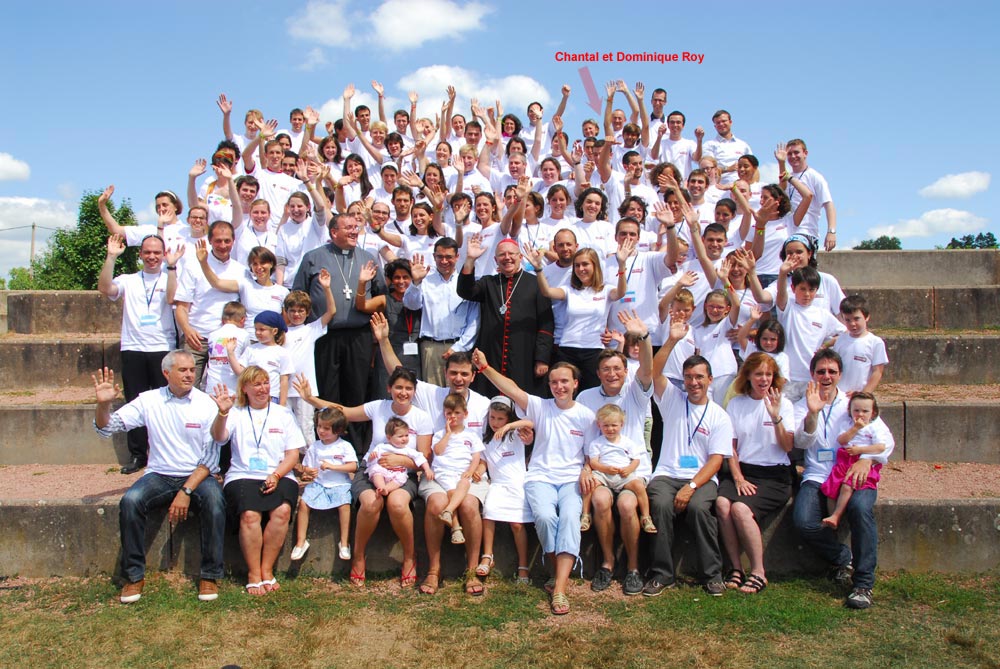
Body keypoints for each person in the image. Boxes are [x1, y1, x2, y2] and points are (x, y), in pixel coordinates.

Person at [92, 351, 225, 603]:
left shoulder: (207, 403)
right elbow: (107, 428)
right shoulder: (149, 400)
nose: (189, 375)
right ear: (166, 373)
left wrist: (185, 491)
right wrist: (103, 405)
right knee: (130, 501)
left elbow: (210, 459)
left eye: (192, 370)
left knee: (215, 502)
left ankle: (209, 575)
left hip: (197, 475)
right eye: (182, 370)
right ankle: (133, 576)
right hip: (159, 474)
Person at [472, 350, 596, 616]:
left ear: (575, 383)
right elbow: (512, 389)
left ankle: (559, 588)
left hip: (571, 479)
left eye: (565, 381)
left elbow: (590, 454)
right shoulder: (541, 407)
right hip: (539, 476)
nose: (559, 387)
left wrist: (587, 469)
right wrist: (484, 368)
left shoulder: (587, 416)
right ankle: (557, 571)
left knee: (569, 519)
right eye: (554, 382)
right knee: (545, 517)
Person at [294, 366, 432, 588]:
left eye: (408, 388)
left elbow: (424, 456)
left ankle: (409, 557)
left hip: (403, 475)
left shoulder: (422, 417)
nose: (403, 392)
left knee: (397, 504)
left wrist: (400, 461)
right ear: (389, 388)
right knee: (370, 503)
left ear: (414, 391)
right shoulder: (378, 407)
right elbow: (344, 412)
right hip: (372, 469)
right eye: (398, 387)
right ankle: (358, 556)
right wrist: (310, 399)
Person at [793, 349, 892, 609]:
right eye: (821, 371)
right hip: (817, 474)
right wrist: (812, 413)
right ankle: (843, 557)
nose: (826, 376)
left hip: (852, 474)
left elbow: (884, 439)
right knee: (803, 521)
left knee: (860, 509)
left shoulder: (852, 404)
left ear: (840, 374)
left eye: (832, 371)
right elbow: (800, 442)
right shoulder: (802, 404)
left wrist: (867, 459)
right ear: (812, 374)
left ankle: (863, 583)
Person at [644, 321, 734, 597]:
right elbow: (653, 371)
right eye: (689, 377)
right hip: (666, 474)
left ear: (710, 379)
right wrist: (671, 340)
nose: (694, 382)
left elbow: (716, 461)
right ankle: (662, 574)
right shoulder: (672, 399)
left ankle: (712, 574)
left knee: (698, 509)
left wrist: (691, 486)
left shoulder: (720, 416)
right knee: (660, 504)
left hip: (700, 479)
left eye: (699, 377)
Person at [576, 310, 656, 595]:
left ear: (626, 371)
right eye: (606, 369)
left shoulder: (636, 392)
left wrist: (643, 337)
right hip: (600, 467)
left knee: (626, 505)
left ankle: (632, 568)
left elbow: (648, 368)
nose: (612, 374)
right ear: (598, 373)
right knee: (599, 499)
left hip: (632, 469)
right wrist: (586, 468)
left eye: (617, 369)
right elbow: (584, 441)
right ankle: (607, 563)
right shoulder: (585, 397)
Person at [293, 213, 384, 451]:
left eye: (356, 227)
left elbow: (381, 294)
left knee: (357, 391)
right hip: (325, 336)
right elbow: (299, 295)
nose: (355, 231)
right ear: (334, 232)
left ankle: (355, 448)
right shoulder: (313, 258)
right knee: (328, 390)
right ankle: (327, 445)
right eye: (349, 228)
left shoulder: (368, 258)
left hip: (358, 336)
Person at [212, 366, 303, 595]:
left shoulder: (283, 414)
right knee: (250, 514)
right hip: (243, 474)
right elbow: (219, 437)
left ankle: (267, 569)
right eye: (256, 384)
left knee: (282, 511)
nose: (263, 389)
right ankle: (253, 573)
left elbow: (292, 454)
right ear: (245, 388)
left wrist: (276, 475)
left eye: (265, 383)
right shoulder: (235, 413)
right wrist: (222, 413)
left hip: (279, 473)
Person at [716, 352, 795, 595]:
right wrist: (738, 478)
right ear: (748, 376)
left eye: (769, 374)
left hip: (774, 475)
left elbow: (788, 446)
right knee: (722, 504)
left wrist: (776, 417)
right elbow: (731, 447)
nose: (764, 379)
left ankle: (759, 572)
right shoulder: (736, 404)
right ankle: (735, 567)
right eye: (759, 374)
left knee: (740, 509)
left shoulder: (784, 404)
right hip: (744, 471)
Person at [98, 233, 176, 475]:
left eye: (157, 252)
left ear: (163, 255)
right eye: (147, 252)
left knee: (166, 403)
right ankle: (138, 454)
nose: (152, 257)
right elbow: (105, 288)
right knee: (134, 402)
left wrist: (172, 267)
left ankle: (165, 454)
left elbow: (173, 298)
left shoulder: (171, 277)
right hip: (133, 347)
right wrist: (111, 257)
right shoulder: (128, 280)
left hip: (163, 347)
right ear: (140, 254)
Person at [525, 239, 632, 391]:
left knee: (591, 393)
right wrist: (538, 269)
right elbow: (547, 292)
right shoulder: (569, 290)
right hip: (567, 350)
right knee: (565, 393)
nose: (581, 269)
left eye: (585, 264)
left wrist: (621, 265)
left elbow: (621, 292)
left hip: (594, 351)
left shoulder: (606, 290)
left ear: (595, 266)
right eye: (577, 265)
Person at [458, 236, 554, 397]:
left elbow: (546, 324)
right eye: (502, 255)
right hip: (492, 353)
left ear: (520, 257)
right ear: (496, 260)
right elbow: (465, 291)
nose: (507, 257)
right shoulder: (489, 282)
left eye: (511, 254)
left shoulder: (536, 283)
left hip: (524, 354)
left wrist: (542, 358)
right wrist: (470, 260)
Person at [172, 222, 246, 387]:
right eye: (218, 241)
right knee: (186, 387)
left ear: (233, 241)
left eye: (227, 241)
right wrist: (187, 330)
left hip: (226, 340)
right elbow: (182, 307)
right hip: (197, 338)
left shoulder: (241, 271)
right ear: (210, 241)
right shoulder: (192, 266)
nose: (223, 245)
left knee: (223, 390)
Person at [402, 238, 480, 386]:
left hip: (460, 347)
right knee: (433, 395)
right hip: (431, 348)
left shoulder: (467, 282)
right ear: (434, 256)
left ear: (457, 257)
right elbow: (411, 305)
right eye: (440, 257)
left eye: (449, 257)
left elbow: (474, 321)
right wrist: (416, 283)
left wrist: (459, 347)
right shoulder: (425, 280)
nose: (444, 261)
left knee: (458, 394)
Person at [476, 396, 534, 584]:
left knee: (517, 524)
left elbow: (530, 422)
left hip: (517, 483)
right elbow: (484, 462)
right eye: (492, 417)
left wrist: (509, 427)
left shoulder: (516, 434)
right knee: (488, 514)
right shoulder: (485, 440)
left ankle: (523, 566)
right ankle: (487, 556)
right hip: (498, 484)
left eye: (500, 419)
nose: (495, 422)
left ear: (508, 418)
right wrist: (478, 471)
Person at [291, 407, 358, 563]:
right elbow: (306, 467)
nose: (321, 431)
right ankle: (300, 541)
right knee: (304, 503)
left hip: (340, 483)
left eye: (326, 428)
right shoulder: (315, 446)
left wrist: (333, 467)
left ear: (338, 430)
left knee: (344, 504)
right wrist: (308, 471)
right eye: (319, 426)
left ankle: (344, 542)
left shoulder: (344, 446)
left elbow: (353, 466)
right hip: (319, 484)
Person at [822, 392, 891, 530]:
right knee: (831, 489)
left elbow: (880, 447)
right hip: (844, 458)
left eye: (865, 411)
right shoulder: (847, 424)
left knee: (847, 486)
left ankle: (836, 515)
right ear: (850, 410)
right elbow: (842, 440)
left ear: (873, 413)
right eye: (856, 410)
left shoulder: (875, 427)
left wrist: (860, 451)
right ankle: (831, 520)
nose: (860, 414)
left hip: (861, 459)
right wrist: (855, 428)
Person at [431, 394, 485, 549]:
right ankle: (455, 527)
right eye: (449, 413)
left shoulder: (471, 435)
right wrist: (448, 434)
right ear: (444, 414)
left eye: (457, 413)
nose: (453, 416)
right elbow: (438, 451)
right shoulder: (439, 434)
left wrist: (471, 470)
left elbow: (476, 456)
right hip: (444, 471)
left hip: (462, 472)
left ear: (465, 414)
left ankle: (448, 511)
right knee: (452, 492)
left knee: (464, 484)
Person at [779, 139, 837, 250]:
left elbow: (828, 204)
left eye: (796, 152)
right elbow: (780, 190)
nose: (793, 156)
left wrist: (831, 231)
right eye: (789, 154)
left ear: (805, 153)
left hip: (806, 232)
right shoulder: (788, 177)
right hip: (787, 233)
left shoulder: (815, 177)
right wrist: (781, 163)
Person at [225, 311, 294, 406]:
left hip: (271, 397)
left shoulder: (282, 353)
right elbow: (240, 372)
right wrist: (230, 353)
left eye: (262, 329)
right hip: (251, 397)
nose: (257, 332)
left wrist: (282, 404)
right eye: (256, 329)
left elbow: (284, 381)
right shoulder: (250, 349)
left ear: (274, 331)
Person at [832, 295, 889, 395]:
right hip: (839, 395)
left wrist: (863, 394)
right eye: (847, 320)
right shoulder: (841, 340)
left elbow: (877, 372)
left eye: (856, 319)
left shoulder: (875, 342)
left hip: (860, 397)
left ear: (866, 317)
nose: (852, 324)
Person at [367, 418, 434, 495]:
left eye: (406, 435)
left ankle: (386, 489)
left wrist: (427, 469)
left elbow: (420, 458)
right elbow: (371, 461)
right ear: (389, 438)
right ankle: (381, 487)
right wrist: (371, 457)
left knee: (401, 478)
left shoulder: (407, 450)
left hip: (398, 472)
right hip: (383, 470)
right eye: (400, 436)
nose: (404, 439)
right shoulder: (382, 447)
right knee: (376, 471)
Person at [702, 110, 751, 185]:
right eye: (718, 123)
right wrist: (728, 169)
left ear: (730, 122)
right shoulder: (709, 145)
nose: (721, 124)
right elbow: (708, 170)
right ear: (715, 126)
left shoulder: (743, 145)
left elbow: (753, 168)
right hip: (719, 187)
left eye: (724, 121)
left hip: (741, 187)